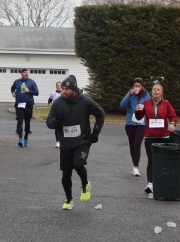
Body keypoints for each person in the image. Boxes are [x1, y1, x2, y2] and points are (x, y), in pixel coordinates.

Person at [46, 75, 105, 210]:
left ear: (74, 89)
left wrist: (96, 132)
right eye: (62, 88)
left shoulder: (85, 101)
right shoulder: (58, 103)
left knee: (78, 164)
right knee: (66, 173)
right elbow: (49, 122)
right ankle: (69, 199)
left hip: (82, 141)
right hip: (66, 143)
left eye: (67, 89)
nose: (64, 91)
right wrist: (56, 121)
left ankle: (85, 184)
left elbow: (100, 114)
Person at [133, 81, 178, 196]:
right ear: (151, 92)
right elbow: (139, 117)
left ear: (161, 93)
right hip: (150, 136)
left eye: (158, 90)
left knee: (164, 160)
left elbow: (173, 116)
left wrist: (172, 124)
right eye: (154, 89)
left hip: (164, 136)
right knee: (151, 160)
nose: (156, 91)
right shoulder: (146, 103)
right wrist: (137, 110)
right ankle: (150, 183)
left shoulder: (166, 104)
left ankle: (163, 182)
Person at [119, 77, 150, 177]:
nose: (137, 87)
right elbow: (122, 105)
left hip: (141, 124)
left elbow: (149, 107)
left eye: (139, 86)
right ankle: (134, 165)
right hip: (130, 123)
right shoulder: (130, 94)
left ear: (142, 87)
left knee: (137, 144)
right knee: (132, 145)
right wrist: (130, 94)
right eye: (135, 85)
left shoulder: (146, 95)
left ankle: (136, 167)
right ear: (133, 86)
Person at [10, 68, 39, 147]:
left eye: (27, 72)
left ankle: (26, 137)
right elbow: (12, 88)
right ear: (21, 73)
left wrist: (29, 91)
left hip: (28, 104)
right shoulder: (17, 81)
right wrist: (13, 92)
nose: (26, 73)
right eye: (24, 72)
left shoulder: (31, 82)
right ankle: (20, 139)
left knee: (27, 121)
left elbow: (37, 92)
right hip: (19, 104)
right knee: (20, 121)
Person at [48, 81, 64, 148]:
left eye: (60, 85)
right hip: (56, 112)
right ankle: (58, 141)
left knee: (63, 127)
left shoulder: (64, 93)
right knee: (57, 127)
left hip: (63, 112)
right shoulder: (53, 93)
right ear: (56, 86)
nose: (58, 86)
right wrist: (50, 104)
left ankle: (63, 141)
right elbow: (49, 101)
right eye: (57, 85)